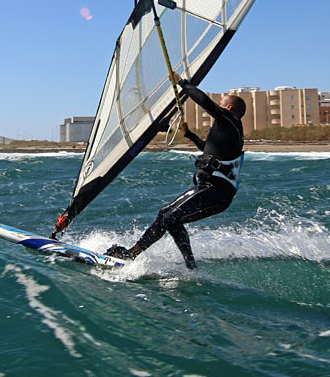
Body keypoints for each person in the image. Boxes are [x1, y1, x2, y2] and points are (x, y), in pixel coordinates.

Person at [105, 73, 245, 269]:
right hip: (207, 188)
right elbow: (209, 149)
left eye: (221, 104)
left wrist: (182, 83)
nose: (218, 106)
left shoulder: (230, 120)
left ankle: (191, 267)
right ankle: (132, 253)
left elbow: (205, 102)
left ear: (228, 108)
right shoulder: (228, 131)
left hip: (218, 193)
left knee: (172, 218)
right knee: (165, 215)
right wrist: (190, 135)